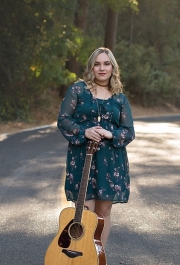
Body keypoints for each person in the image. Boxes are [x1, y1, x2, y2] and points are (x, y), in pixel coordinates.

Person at [57, 47, 134, 247]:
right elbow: (63, 120)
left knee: (104, 212)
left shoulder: (119, 98)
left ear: (112, 67)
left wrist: (111, 134)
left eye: (106, 64)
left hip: (111, 161)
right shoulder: (78, 90)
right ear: (91, 67)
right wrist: (84, 132)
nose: (102, 68)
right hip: (82, 157)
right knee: (85, 210)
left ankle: (97, 256)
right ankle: (79, 257)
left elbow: (128, 132)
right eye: (97, 64)